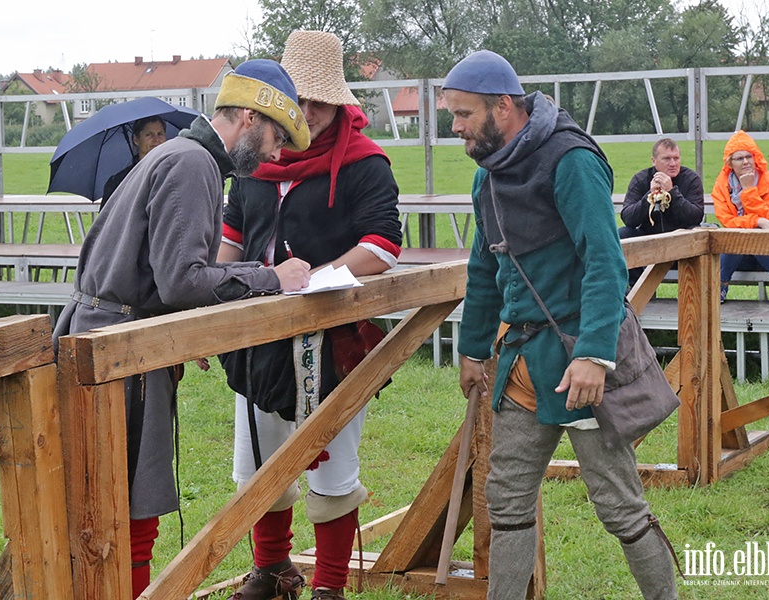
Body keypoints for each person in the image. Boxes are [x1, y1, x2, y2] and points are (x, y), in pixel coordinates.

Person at [52, 59, 313, 600]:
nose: (275, 154)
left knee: (114, 512)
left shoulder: (180, 155)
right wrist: (272, 278)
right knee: (126, 518)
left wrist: (182, 324)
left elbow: (159, 275)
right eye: (276, 136)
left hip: (112, 337)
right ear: (247, 117)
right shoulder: (193, 163)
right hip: (116, 352)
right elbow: (182, 280)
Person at [445, 51, 678, 600]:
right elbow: (485, 266)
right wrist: (473, 349)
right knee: (505, 502)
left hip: (581, 363)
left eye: (462, 114)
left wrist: (595, 354)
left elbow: (604, 261)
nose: (453, 127)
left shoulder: (570, 160)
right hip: (525, 366)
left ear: (502, 107)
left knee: (619, 505)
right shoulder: (489, 177)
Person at [217, 31, 402, 600]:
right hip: (256, 334)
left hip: (334, 336)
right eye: (301, 100)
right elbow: (230, 241)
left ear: (339, 101)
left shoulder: (365, 165)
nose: (310, 112)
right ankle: (272, 570)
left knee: (331, 466)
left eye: (321, 100)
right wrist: (213, 305)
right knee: (257, 458)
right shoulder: (252, 162)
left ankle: (328, 586)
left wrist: (320, 281)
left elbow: (383, 243)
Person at [713, 130, 769, 304]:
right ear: (729, 163)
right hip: (736, 252)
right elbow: (728, 221)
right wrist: (757, 221)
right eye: (739, 158)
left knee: (758, 235)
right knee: (736, 236)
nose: (745, 162)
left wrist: (749, 190)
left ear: (755, 157)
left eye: (749, 156)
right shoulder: (721, 185)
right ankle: (721, 286)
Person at [619, 138, 704, 286]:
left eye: (676, 158)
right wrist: (649, 197)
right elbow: (628, 217)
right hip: (649, 241)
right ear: (654, 161)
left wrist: (672, 192)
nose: (673, 163)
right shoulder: (641, 179)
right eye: (667, 159)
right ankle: (636, 288)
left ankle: (691, 289)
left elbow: (695, 217)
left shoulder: (690, 179)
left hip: (680, 242)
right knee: (623, 234)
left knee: (696, 234)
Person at [101, 116, 168, 207]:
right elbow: (107, 218)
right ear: (136, 139)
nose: (156, 139)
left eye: (160, 134)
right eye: (149, 135)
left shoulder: (172, 173)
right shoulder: (119, 182)